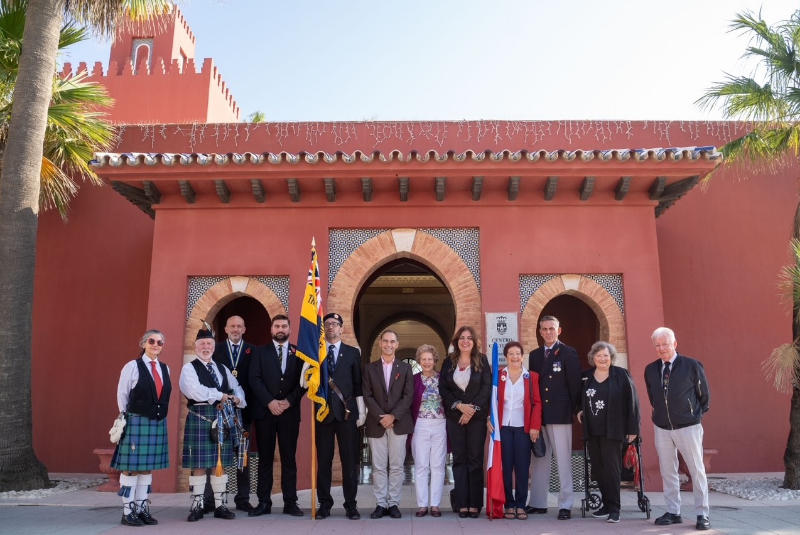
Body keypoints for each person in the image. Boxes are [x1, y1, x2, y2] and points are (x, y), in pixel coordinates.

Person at [645, 327, 711, 531]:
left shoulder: (691, 365)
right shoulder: (651, 369)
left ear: (674, 344)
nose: (661, 348)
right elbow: (652, 397)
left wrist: (693, 415)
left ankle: (702, 514)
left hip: (688, 426)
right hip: (662, 427)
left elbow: (704, 396)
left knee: (696, 470)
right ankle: (674, 511)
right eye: (657, 345)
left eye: (665, 344)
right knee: (668, 471)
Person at [179, 325, 246, 522]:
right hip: (200, 416)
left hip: (222, 418)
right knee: (199, 464)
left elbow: (237, 387)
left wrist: (238, 399)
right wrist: (220, 395)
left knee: (221, 464)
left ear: (214, 348)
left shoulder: (222, 368)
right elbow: (194, 391)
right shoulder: (189, 368)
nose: (206, 347)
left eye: (209, 343)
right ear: (196, 346)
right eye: (202, 344)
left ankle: (220, 505)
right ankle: (197, 505)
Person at [111, 329, 171, 527]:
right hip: (136, 420)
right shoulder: (132, 366)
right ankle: (128, 512)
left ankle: (141, 508)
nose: (156, 345)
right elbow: (123, 393)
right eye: (152, 341)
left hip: (157, 421)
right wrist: (124, 416)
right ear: (143, 344)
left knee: (146, 469)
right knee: (130, 469)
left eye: (160, 342)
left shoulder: (165, 368)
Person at [248, 315, 306, 517]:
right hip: (265, 412)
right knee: (265, 458)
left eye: (284, 326)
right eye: (277, 326)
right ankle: (264, 502)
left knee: (289, 459)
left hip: (290, 413)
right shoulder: (259, 352)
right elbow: (254, 379)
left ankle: (290, 502)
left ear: (289, 329)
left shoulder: (299, 353)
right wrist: (270, 402)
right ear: (271, 329)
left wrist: (289, 401)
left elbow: (304, 381)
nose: (280, 329)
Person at [577, 341, 640, 523]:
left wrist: (633, 428)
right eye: (598, 356)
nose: (602, 359)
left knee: (612, 470)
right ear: (593, 358)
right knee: (598, 469)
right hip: (593, 430)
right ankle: (605, 504)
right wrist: (579, 410)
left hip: (613, 430)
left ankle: (615, 508)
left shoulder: (621, 375)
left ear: (611, 357)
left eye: (606, 355)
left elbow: (633, 402)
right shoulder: (586, 376)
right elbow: (579, 398)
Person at [526, 315, 581, 520]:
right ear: (540, 332)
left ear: (559, 331)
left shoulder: (568, 353)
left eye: (552, 328)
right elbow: (533, 386)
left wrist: (574, 409)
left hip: (560, 413)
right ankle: (538, 502)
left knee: (563, 460)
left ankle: (565, 503)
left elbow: (575, 384)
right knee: (539, 457)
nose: (548, 332)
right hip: (539, 415)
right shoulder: (534, 355)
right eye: (544, 329)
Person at [315, 312, 366, 520]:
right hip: (323, 414)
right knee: (324, 461)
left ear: (342, 328)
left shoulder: (353, 353)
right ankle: (324, 504)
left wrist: (361, 410)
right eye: (327, 324)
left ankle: (350, 505)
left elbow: (358, 384)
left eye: (335, 324)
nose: (331, 327)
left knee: (349, 460)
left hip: (346, 415)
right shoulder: (315, 353)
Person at [205, 315, 256, 514]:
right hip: (219, 412)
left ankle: (243, 498)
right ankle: (212, 500)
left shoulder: (254, 350)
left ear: (244, 329)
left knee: (242, 456)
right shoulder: (215, 349)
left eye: (239, 326)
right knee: (216, 455)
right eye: (232, 326)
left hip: (244, 411)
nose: (235, 329)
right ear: (225, 329)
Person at [439, 326, 492, 519]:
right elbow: (444, 389)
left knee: (475, 460)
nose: (466, 341)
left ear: (474, 341)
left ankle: (475, 504)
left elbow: (486, 388)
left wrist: (471, 410)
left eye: (469, 338)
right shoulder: (448, 362)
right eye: (462, 338)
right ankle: (462, 503)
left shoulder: (482, 361)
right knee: (459, 460)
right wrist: (459, 406)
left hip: (476, 418)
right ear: (457, 341)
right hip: (455, 418)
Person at [362, 329, 414, 519]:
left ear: (397, 344)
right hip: (377, 424)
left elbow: (408, 396)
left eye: (392, 341)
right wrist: (381, 417)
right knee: (378, 466)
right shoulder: (369, 369)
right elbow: (367, 395)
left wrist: (393, 416)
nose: (389, 345)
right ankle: (380, 504)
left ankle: (393, 503)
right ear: (380, 343)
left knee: (397, 465)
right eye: (385, 341)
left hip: (398, 423)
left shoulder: (405, 368)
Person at [487, 341, 542, 520]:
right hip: (503, 428)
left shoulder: (531, 377)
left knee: (522, 467)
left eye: (518, 353)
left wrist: (535, 426)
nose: (515, 357)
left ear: (522, 356)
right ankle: (508, 504)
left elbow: (536, 403)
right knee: (506, 467)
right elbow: (492, 400)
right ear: (506, 356)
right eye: (511, 354)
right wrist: (490, 418)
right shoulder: (498, 375)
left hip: (523, 428)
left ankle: (520, 505)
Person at [410, 344, 447, 518]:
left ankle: (435, 505)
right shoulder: (414, 379)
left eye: (429, 359)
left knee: (438, 465)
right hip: (420, 425)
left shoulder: (443, 378)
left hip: (440, 424)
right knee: (422, 465)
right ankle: (422, 504)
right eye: (423, 359)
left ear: (435, 360)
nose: (426, 362)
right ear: (419, 361)